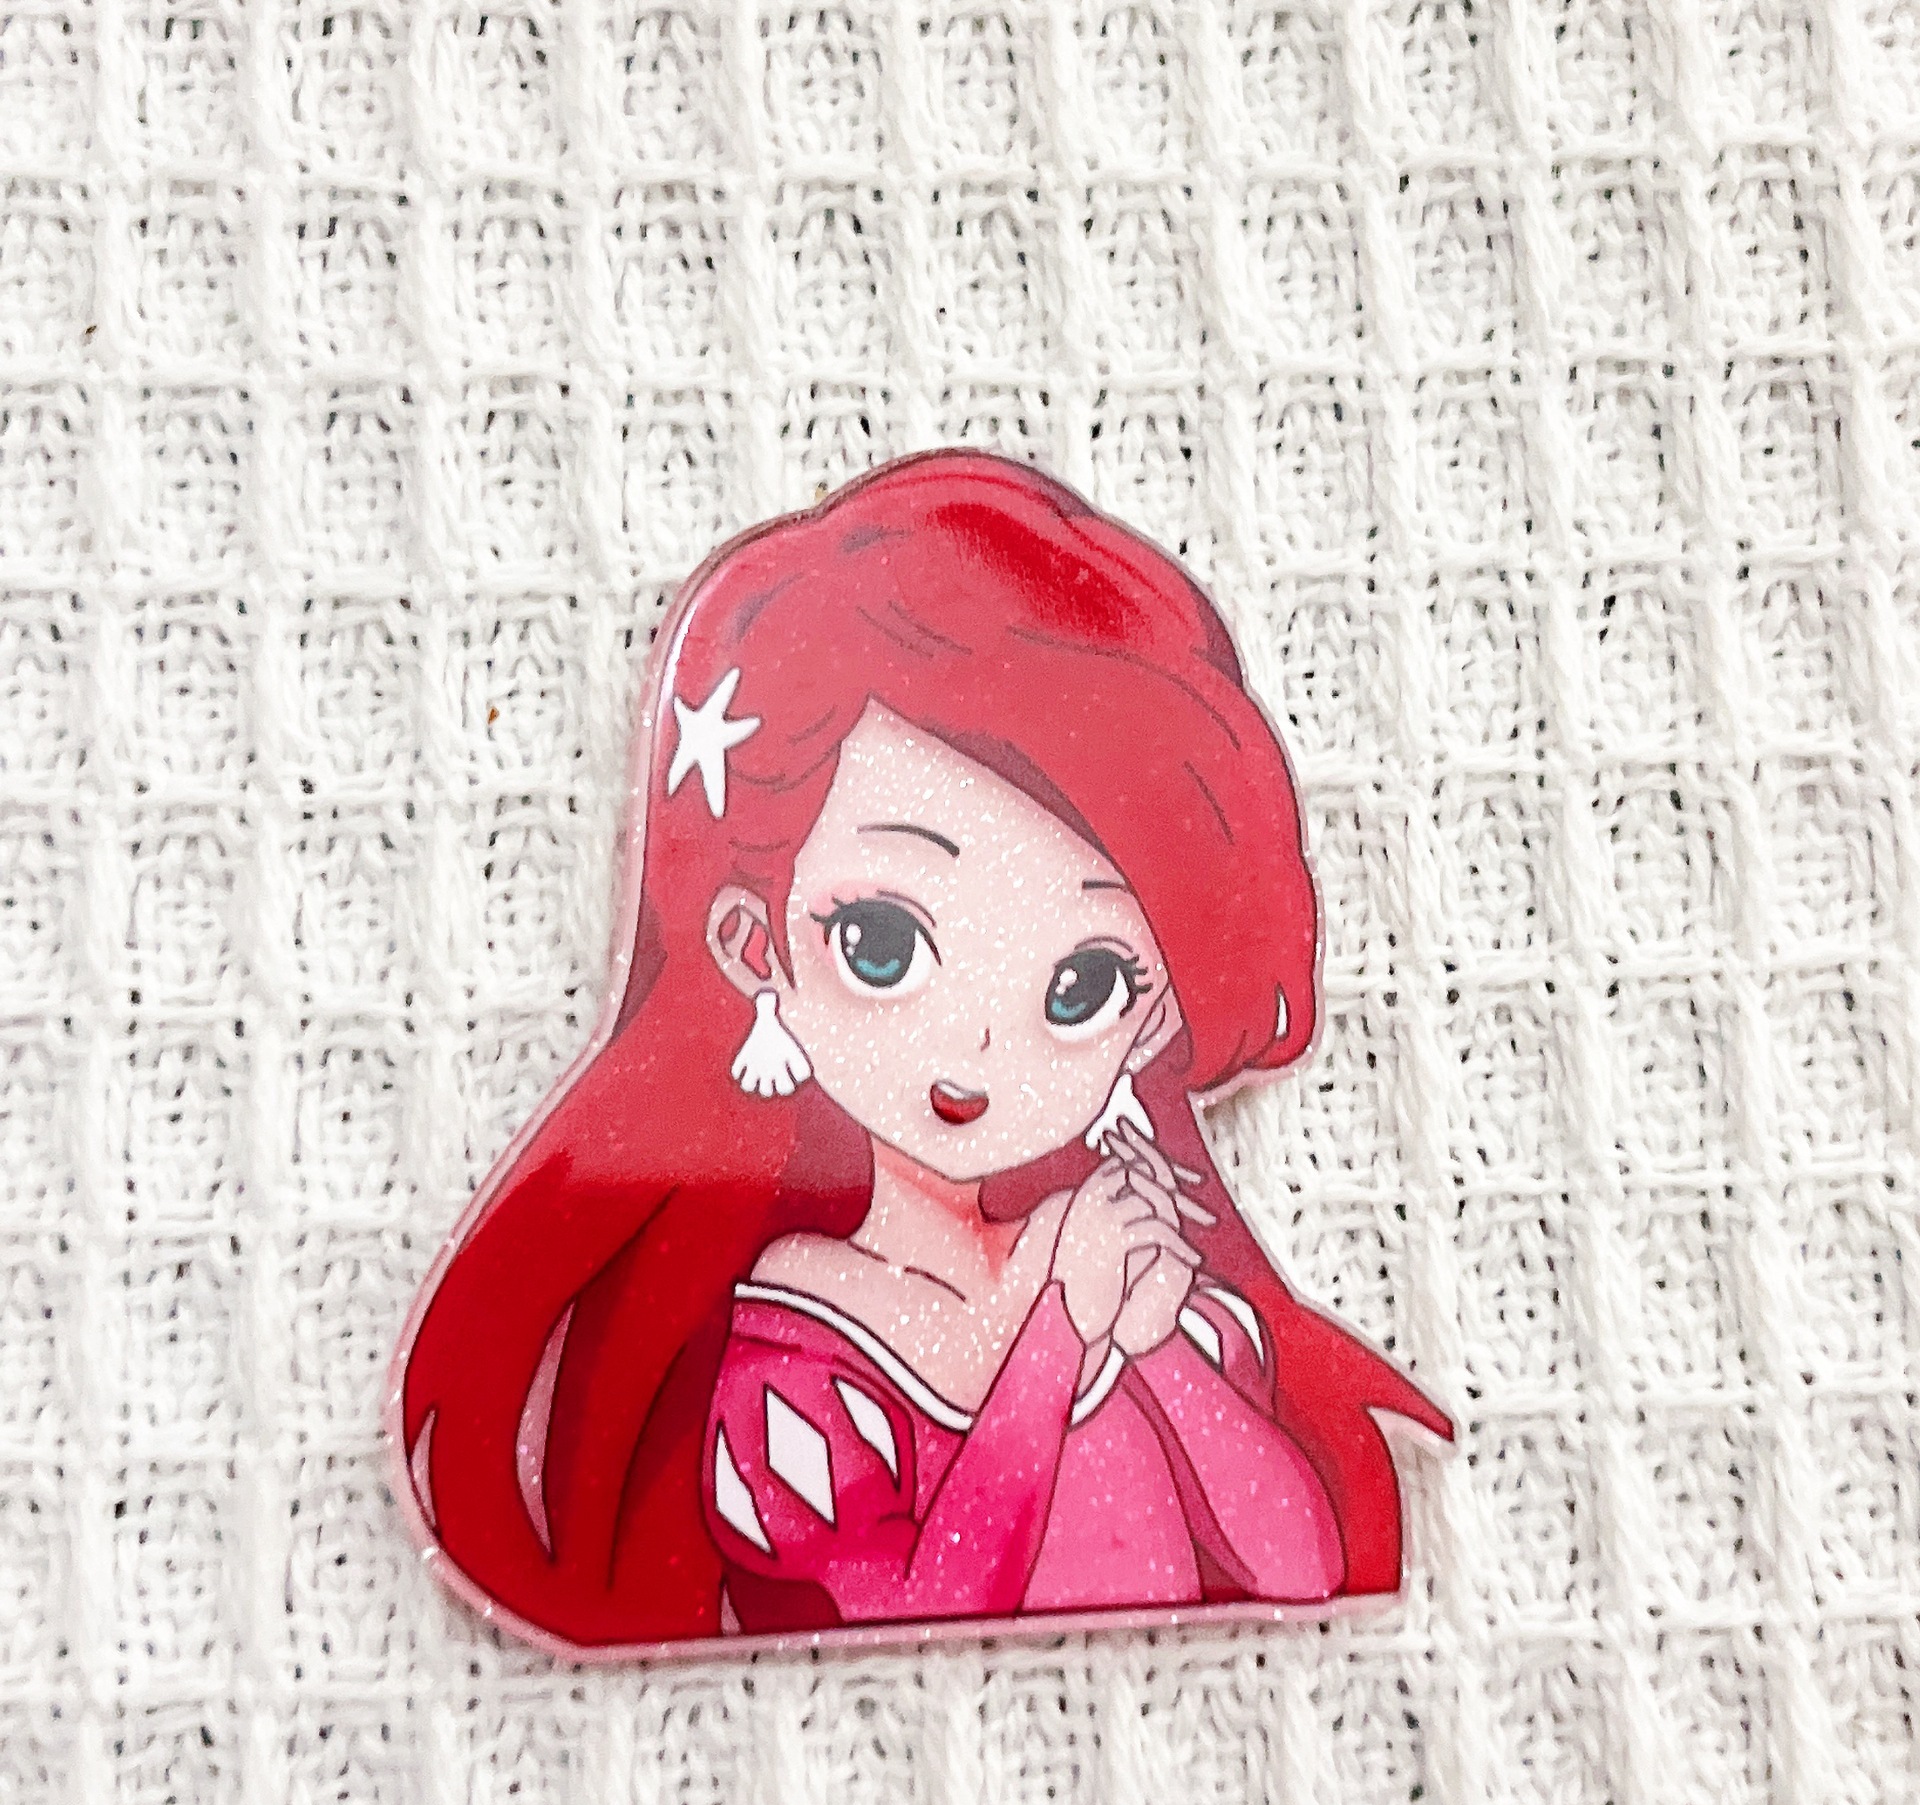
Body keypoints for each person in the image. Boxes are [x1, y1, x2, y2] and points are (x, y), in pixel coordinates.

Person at [390, 450, 1450, 1652]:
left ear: (1152, 1014)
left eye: (1084, 984)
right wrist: (1057, 1333)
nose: (982, 1046)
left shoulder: (1134, 1280)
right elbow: (915, 1596)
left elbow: (1301, 1564)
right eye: (882, 943)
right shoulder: (789, 1351)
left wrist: (1150, 1341)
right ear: (754, 944)